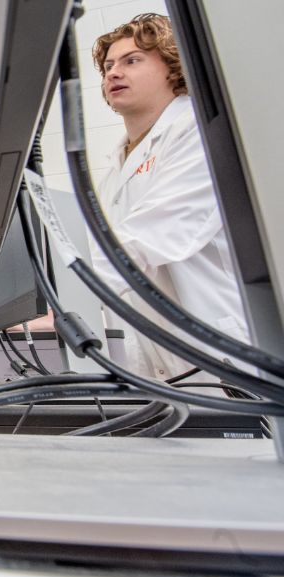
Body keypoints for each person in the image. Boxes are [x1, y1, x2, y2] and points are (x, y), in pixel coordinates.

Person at [90, 13, 249, 379]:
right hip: (161, 360)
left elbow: (149, 238)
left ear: (174, 69)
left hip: (218, 353)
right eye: (109, 65)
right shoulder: (117, 162)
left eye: (132, 61)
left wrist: (66, 305)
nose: (113, 73)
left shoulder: (198, 132)